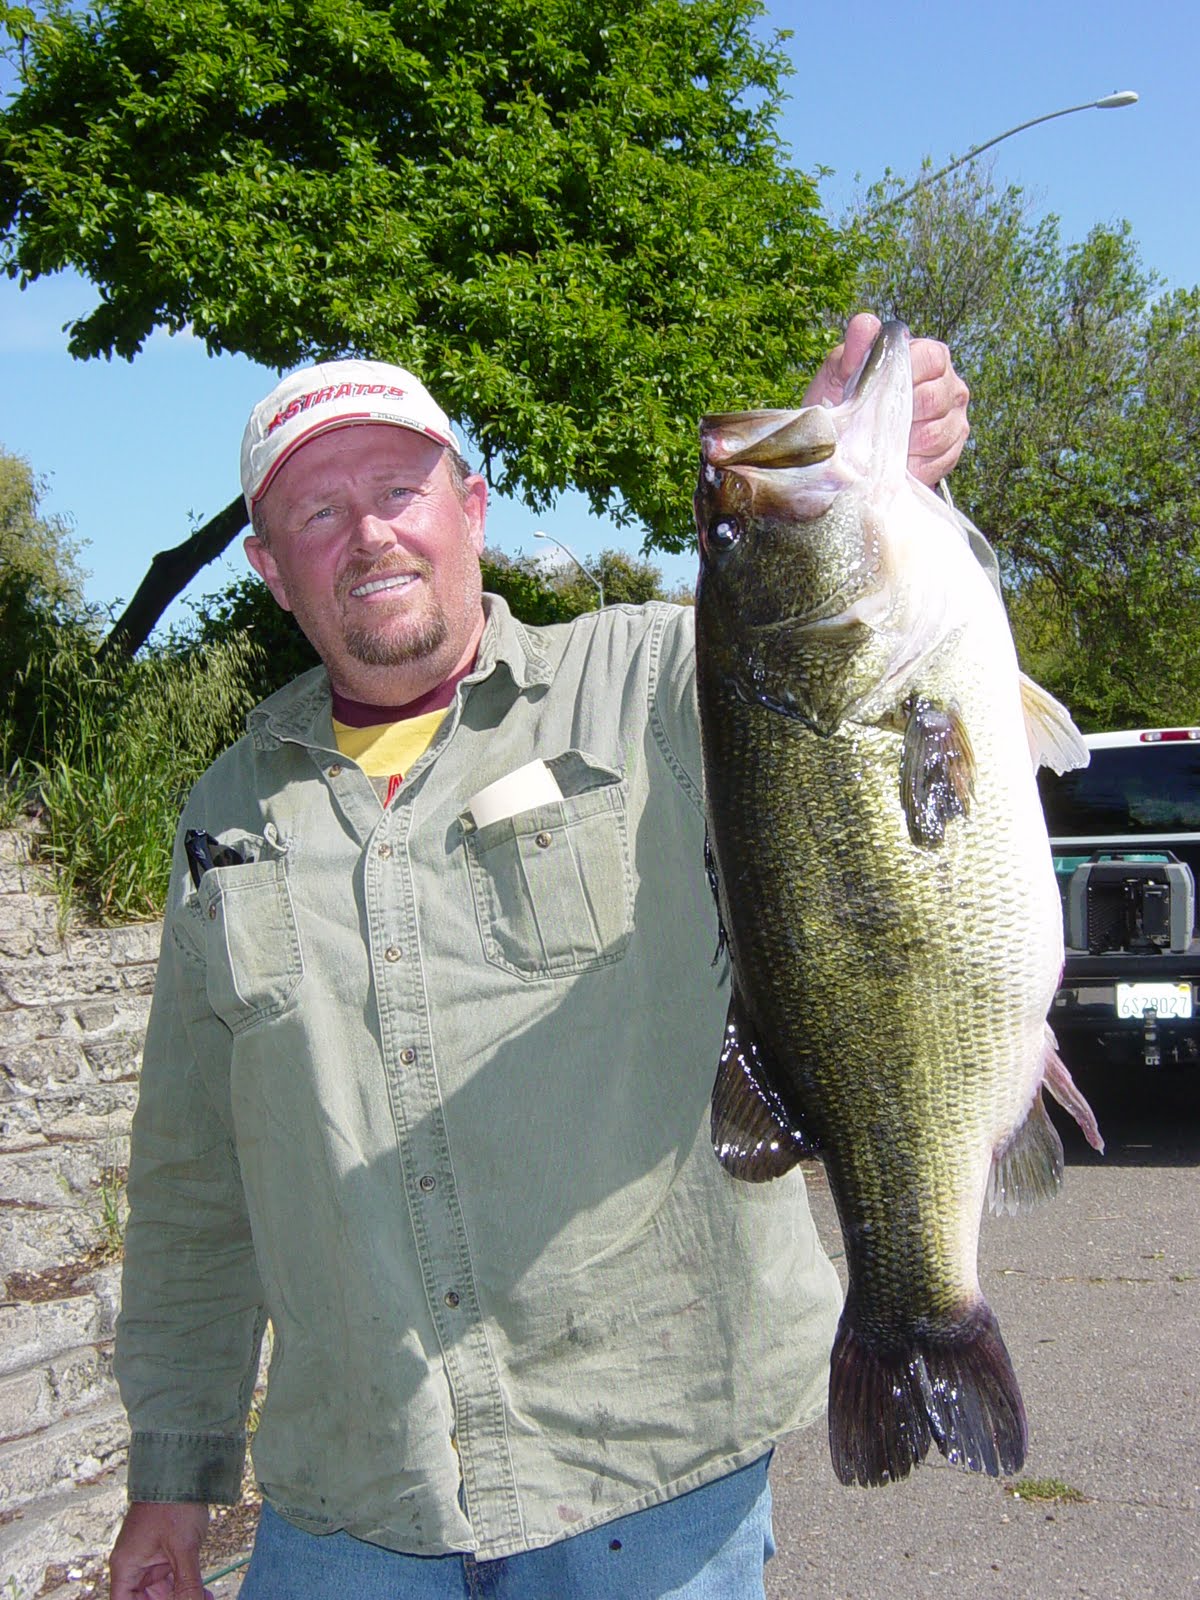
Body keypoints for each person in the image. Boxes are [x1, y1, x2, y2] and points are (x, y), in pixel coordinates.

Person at [108, 315, 972, 1600]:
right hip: (351, 1500)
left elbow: (843, 689)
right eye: (318, 513)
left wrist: (854, 480)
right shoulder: (222, 817)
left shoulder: (654, 680)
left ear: (471, 505)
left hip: (651, 1485)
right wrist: (169, 1486)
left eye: (399, 491)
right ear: (270, 569)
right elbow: (192, 1179)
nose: (370, 533)